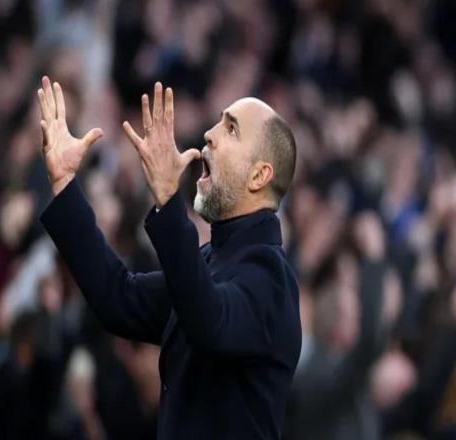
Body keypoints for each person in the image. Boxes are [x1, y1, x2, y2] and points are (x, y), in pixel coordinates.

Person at [38, 75, 301, 439]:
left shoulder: (273, 279)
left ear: (259, 175)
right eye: (218, 123)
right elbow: (120, 299)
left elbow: (211, 322)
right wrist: (65, 185)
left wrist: (167, 199)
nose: (209, 134)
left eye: (232, 129)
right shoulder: (211, 261)